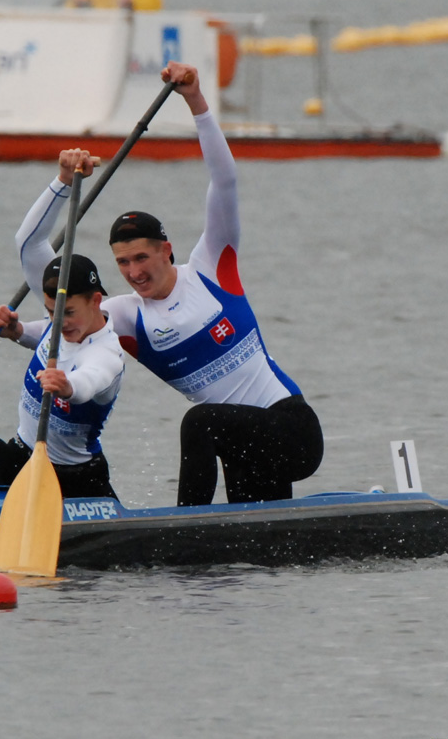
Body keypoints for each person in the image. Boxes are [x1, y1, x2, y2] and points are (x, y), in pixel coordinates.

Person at [86, 62, 322, 505]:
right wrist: (16, 330)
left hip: (292, 428)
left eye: (141, 258)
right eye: (123, 263)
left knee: (200, 422)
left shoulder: (211, 266)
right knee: (254, 538)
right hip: (242, 442)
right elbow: (62, 320)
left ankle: (185, 525)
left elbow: (225, 179)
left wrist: (195, 99)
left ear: (166, 250)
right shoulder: (124, 315)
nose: (134, 272)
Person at [0, 153, 125, 504]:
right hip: (24, 458)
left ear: (96, 301)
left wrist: (66, 386)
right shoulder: (60, 318)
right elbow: (28, 242)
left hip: (76, 479)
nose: (59, 323)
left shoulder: (107, 353)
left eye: (68, 313)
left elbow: (89, 380)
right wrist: (63, 180)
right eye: (52, 313)